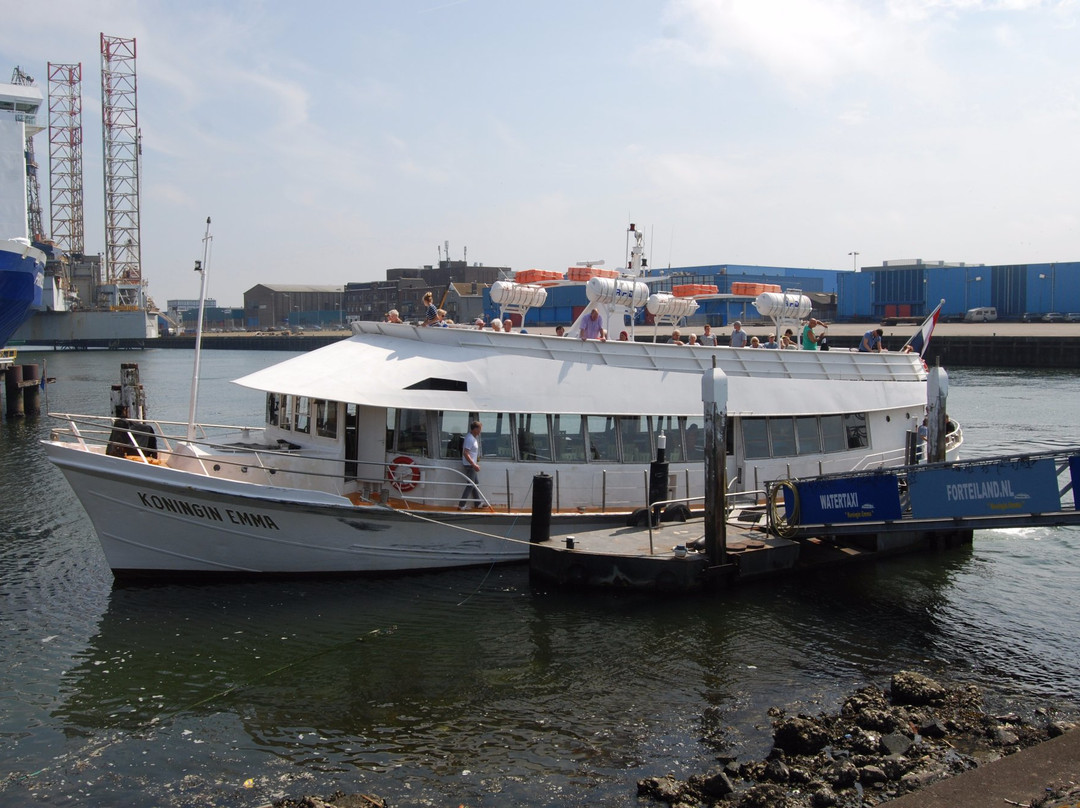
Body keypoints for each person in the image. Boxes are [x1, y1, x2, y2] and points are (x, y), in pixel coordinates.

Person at [458, 420, 483, 510]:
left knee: (475, 483)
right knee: (471, 485)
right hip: (470, 465)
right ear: (475, 429)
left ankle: (478, 503)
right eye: (480, 429)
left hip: (471, 464)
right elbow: (466, 453)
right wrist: (473, 464)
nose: (480, 431)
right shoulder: (469, 439)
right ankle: (461, 505)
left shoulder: (472, 438)